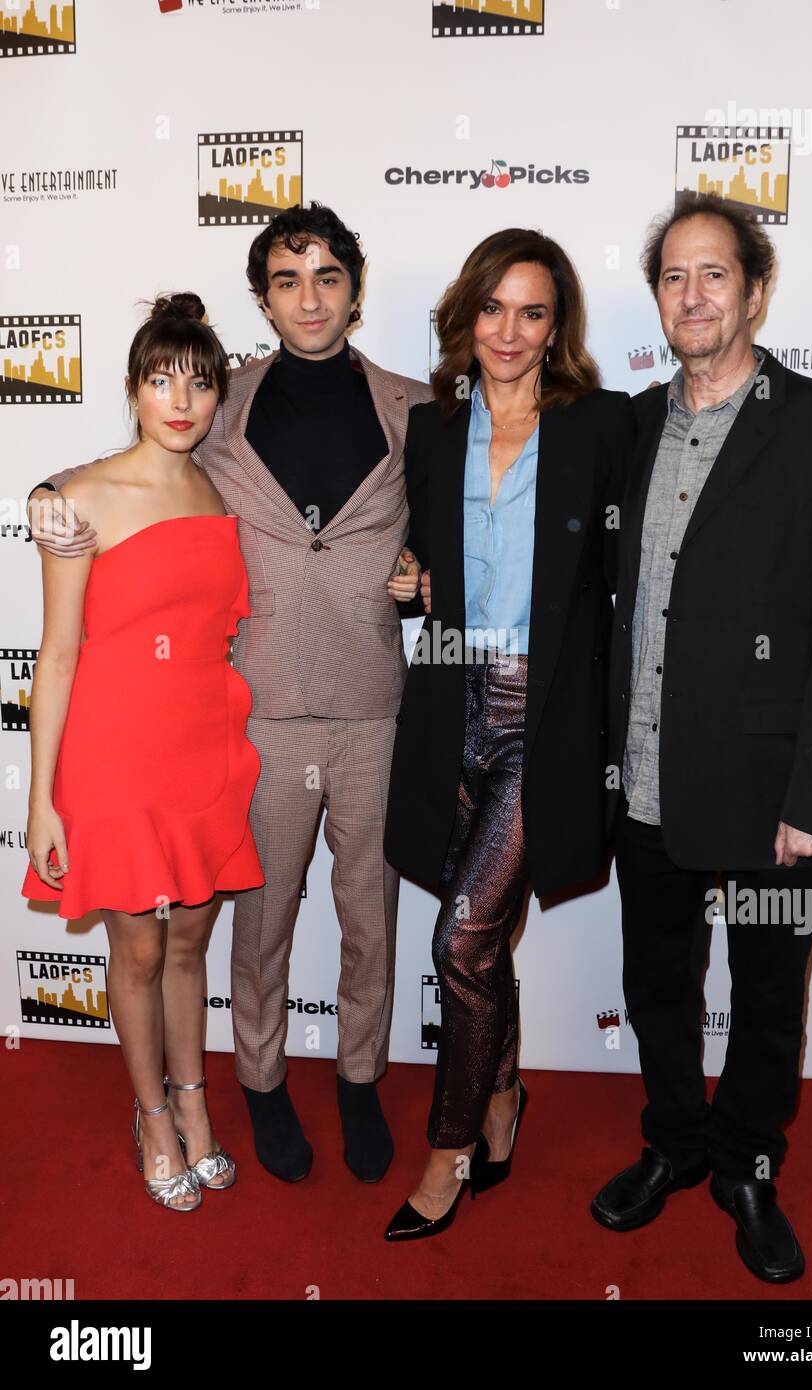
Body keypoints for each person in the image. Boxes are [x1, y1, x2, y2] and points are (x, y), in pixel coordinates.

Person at [26, 203, 431, 1187]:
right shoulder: (220, 402)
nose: (309, 298)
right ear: (263, 297)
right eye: (288, 280)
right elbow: (118, 474)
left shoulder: (416, 409)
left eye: (328, 277)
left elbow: (457, 528)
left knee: (370, 916)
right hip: (257, 709)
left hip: (372, 702)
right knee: (258, 920)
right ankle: (258, 1082)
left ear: (355, 291)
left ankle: (360, 1078)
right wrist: (42, 493)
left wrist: (425, 576)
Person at [591, 192, 812, 1282]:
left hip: (772, 795)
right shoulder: (629, 428)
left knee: (768, 1001)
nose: (693, 295)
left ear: (756, 293)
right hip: (644, 780)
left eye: (713, 273)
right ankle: (674, 1144)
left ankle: (747, 1165)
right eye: (673, 276)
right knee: (657, 986)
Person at [382, 228, 634, 1241]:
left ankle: (447, 1149)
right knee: (480, 944)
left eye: (532, 311)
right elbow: (421, 560)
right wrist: (411, 577)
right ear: (466, 314)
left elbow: (630, 570)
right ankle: (502, 1093)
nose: (509, 331)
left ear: (556, 325)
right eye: (492, 307)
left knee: (460, 938)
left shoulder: (602, 425)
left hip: (545, 717)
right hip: (450, 704)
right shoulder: (432, 427)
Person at [23, 292, 265, 1211]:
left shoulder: (218, 493)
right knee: (137, 949)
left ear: (218, 398)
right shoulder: (79, 501)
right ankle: (152, 1115)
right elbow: (56, 655)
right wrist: (42, 801)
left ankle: (194, 1100)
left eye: (200, 384)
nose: (181, 401)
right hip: (115, 758)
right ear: (131, 389)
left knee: (192, 938)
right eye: (162, 381)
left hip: (205, 746)